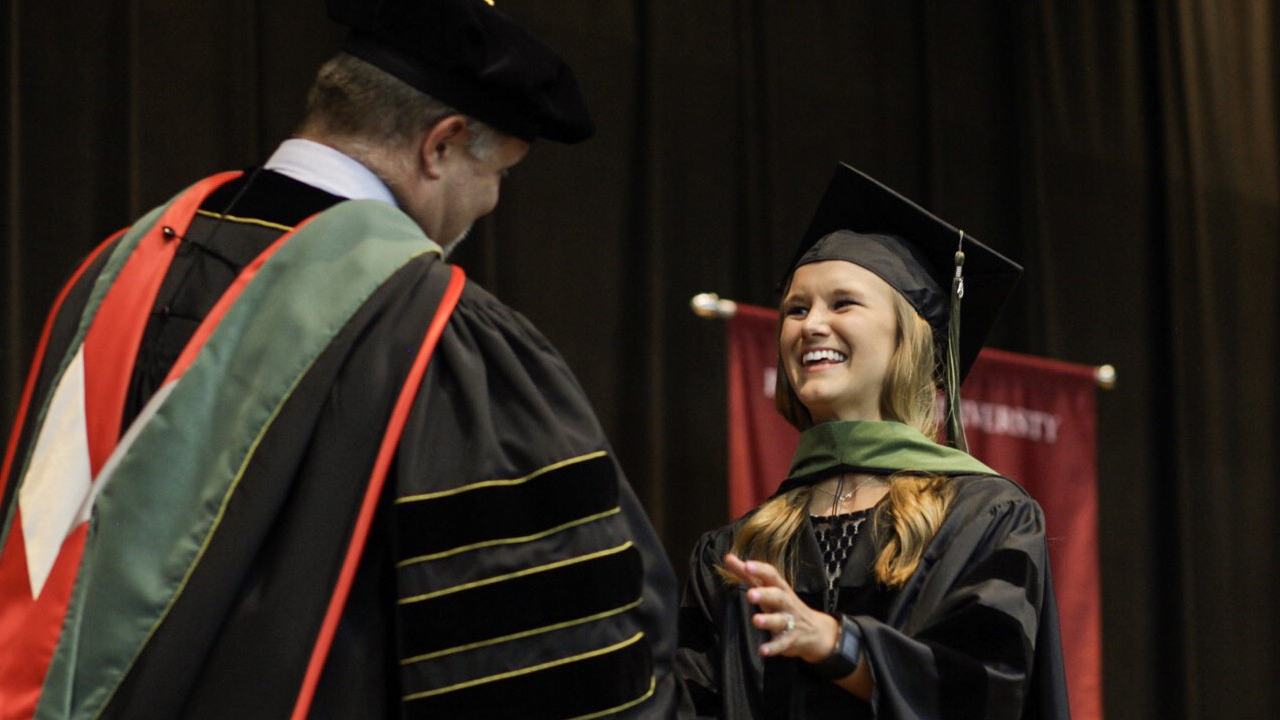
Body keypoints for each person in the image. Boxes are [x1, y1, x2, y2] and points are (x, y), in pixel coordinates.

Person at [0, 1, 677, 718]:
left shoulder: (119, 267)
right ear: (440, 145)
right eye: (499, 173)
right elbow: (541, 659)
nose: (489, 204)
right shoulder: (432, 332)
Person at [676, 164, 1071, 719]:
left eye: (843, 304)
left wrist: (838, 645)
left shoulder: (985, 518)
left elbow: (987, 691)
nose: (811, 324)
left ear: (908, 339)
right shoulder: (735, 553)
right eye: (796, 308)